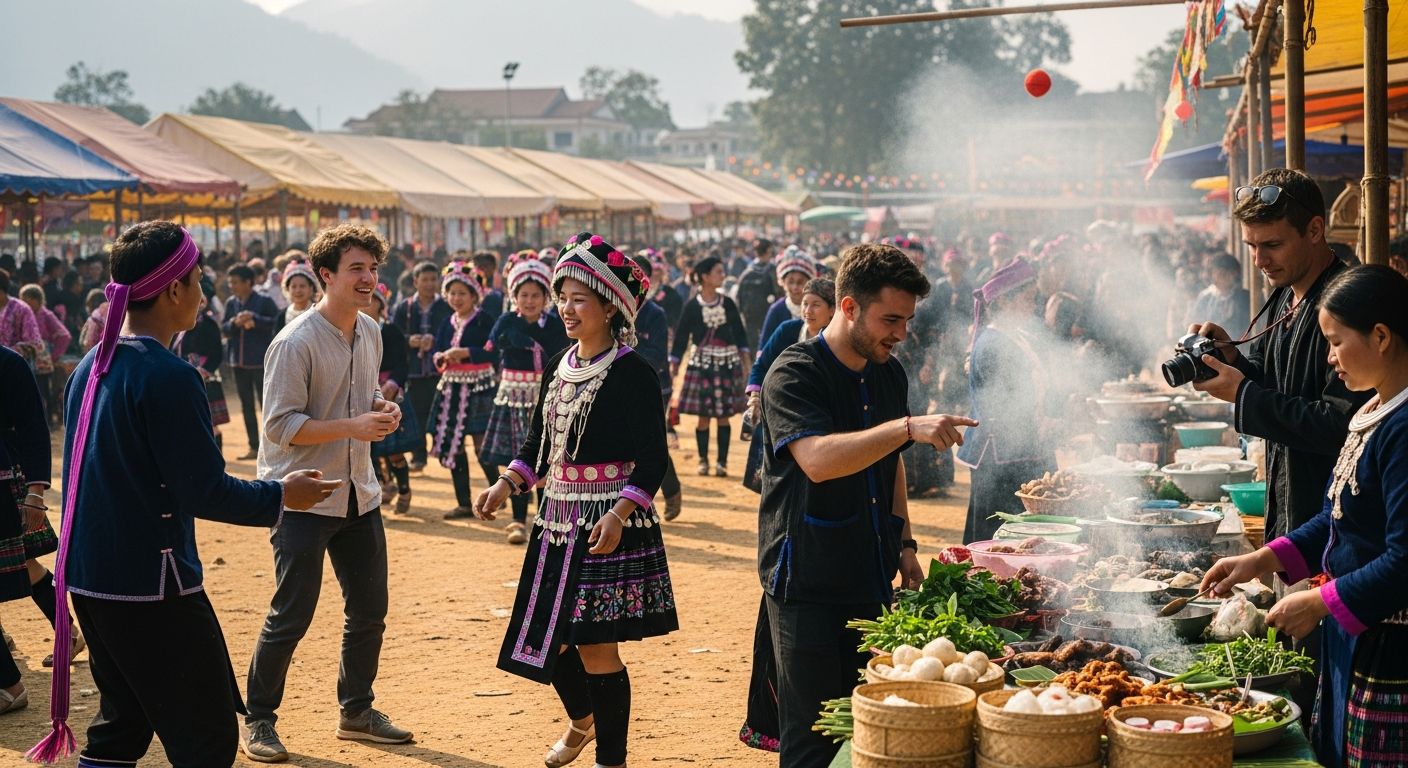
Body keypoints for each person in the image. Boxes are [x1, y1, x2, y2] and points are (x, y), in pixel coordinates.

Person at [27, 221, 338, 767]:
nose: (205, 293)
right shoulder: (168, 376)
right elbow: (205, 491)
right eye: (199, 280)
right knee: (206, 735)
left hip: (91, 576)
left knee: (122, 724)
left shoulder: (90, 367)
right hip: (152, 583)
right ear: (174, 289)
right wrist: (283, 494)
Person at [756, 243, 976, 767]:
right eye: (891, 319)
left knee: (868, 726)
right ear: (849, 307)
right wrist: (906, 427)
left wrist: (904, 544)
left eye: (907, 320)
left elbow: (890, 462)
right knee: (812, 738)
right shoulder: (794, 372)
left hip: (871, 571)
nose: (901, 334)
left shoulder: (888, 373)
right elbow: (817, 460)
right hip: (806, 581)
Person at [474, 231, 676, 768]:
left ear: (610, 306)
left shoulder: (633, 372)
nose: (565, 307)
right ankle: (583, 721)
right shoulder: (558, 366)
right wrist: (506, 484)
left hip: (607, 523)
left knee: (594, 646)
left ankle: (611, 756)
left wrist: (619, 512)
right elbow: (537, 447)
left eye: (577, 298)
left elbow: (654, 458)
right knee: (545, 637)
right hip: (556, 518)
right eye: (561, 296)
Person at [1201, 265, 1408, 768]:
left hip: (1390, 645)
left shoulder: (1403, 429)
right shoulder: (1373, 410)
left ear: (1380, 336)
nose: (1330, 359)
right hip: (1353, 629)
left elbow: (1404, 560)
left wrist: (1320, 602)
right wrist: (1263, 560)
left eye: (1336, 343)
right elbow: (1337, 517)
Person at [242, 224, 410, 763]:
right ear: (326, 275)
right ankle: (259, 721)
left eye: (373, 269)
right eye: (356, 268)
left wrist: (383, 411)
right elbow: (279, 425)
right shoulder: (294, 341)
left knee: (369, 610)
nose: (368, 279)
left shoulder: (371, 330)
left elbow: (366, 400)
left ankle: (355, 712)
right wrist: (352, 425)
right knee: (291, 614)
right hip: (303, 496)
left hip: (361, 493)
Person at [1189, 168, 1368, 547]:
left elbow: (1342, 423)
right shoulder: (1284, 295)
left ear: (1315, 230)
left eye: (1271, 244)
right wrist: (1232, 360)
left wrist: (1244, 396)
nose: (1258, 260)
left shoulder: (1348, 304)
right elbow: (1274, 380)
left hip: (1332, 529)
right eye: (1251, 246)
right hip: (1287, 514)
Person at [958, 258, 1060, 544]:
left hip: (1022, 447)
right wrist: (1047, 424)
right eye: (1027, 300)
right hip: (1000, 455)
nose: (1032, 306)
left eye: (1033, 299)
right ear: (1002, 302)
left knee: (1027, 536)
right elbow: (1003, 406)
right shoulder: (992, 344)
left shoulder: (1018, 337)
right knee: (999, 535)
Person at [0, 344, 70, 714]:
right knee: (25, 565)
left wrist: (36, 492)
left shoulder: (10, 363)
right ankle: (69, 632)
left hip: (11, 482)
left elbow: (33, 427)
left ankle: (9, 685)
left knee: (24, 564)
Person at [479, 257, 568, 542]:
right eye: (523, 295)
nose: (529, 301)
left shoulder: (555, 324)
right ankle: (517, 521)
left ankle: (545, 519)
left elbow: (562, 355)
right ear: (514, 297)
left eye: (536, 295)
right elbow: (490, 349)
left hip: (544, 397)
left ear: (546, 297)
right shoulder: (505, 321)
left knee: (546, 459)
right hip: (512, 399)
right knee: (514, 457)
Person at [742, 277, 836, 494]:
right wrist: (755, 398)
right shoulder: (787, 331)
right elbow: (762, 364)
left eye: (816, 305)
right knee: (776, 482)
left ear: (832, 310)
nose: (808, 310)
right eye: (805, 304)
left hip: (821, 415)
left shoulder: (839, 341)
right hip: (782, 412)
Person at [430, 262, 500, 519]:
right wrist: (441, 357)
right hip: (451, 389)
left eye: (462, 293)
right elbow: (437, 350)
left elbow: (494, 352)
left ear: (474, 296)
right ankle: (463, 503)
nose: (456, 298)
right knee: (454, 446)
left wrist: (467, 353)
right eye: (452, 293)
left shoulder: (484, 319)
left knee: (483, 446)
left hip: (479, 386)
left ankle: (498, 495)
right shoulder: (446, 322)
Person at [671, 256, 751, 477]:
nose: (722, 275)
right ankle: (704, 460)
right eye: (718, 272)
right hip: (702, 364)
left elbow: (739, 332)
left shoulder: (728, 303)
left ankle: (722, 463)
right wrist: (674, 362)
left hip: (726, 362)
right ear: (705, 277)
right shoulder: (692, 306)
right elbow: (681, 336)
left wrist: (744, 355)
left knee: (724, 415)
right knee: (703, 416)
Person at [632, 254, 684, 520]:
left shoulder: (655, 314)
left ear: (648, 280)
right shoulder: (611, 309)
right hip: (616, 384)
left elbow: (657, 355)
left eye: (638, 275)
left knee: (651, 442)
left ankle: (671, 490)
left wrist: (624, 361)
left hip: (655, 386)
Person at [390, 261, 453, 472]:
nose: (429, 284)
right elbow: (394, 337)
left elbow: (453, 335)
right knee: (416, 414)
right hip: (414, 371)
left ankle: (443, 451)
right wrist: (410, 340)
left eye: (433, 279)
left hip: (439, 371)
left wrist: (435, 341)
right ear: (415, 282)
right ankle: (419, 456)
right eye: (424, 280)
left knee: (439, 411)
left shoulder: (446, 306)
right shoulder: (404, 307)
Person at [366, 283, 419, 516]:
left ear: (381, 305)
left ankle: (404, 489)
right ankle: (382, 488)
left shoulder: (390, 331)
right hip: (362, 394)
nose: (366, 303)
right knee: (369, 449)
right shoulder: (350, 330)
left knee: (394, 450)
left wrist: (393, 383)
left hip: (388, 394)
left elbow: (402, 364)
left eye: (372, 299)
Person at [223, 264, 279, 460]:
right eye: (230, 282)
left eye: (235, 282)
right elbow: (225, 328)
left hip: (261, 363)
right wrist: (235, 323)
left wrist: (255, 319)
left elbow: (277, 324)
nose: (232, 286)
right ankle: (254, 447)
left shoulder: (264, 301)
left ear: (248, 283)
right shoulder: (232, 303)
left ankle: (271, 448)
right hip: (237, 363)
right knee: (246, 406)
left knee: (267, 406)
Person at [172, 284, 231, 450]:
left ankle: (217, 459)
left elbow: (216, 354)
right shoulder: (181, 325)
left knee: (211, 423)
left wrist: (202, 371)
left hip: (205, 379)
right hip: (185, 377)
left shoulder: (208, 325)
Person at [19, 283, 71, 421]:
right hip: (28, 360)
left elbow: (64, 336)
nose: (25, 306)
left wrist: (54, 356)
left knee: (43, 391)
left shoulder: (46, 315)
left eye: (29, 302)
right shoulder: (24, 315)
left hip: (42, 362)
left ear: (38, 301)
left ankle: (48, 418)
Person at [757, 246, 819, 351]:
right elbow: (764, 347)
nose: (795, 287)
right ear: (783, 282)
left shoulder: (818, 308)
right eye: (790, 282)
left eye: (800, 282)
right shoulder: (776, 310)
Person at [1189, 254, 1251, 340]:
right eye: (1222, 273)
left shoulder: (1245, 296)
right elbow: (1195, 322)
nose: (1228, 276)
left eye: (1233, 273)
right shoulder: (1205, 297)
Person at [736, 238, 779, 346]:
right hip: (769, 316)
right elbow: (779, 294)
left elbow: (739, 297)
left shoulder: (746, 272)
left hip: (750, 318)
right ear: (769, 251)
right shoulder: (773, 271)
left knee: (753, 346)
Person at [271, 259, 318, 336]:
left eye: (302, 286)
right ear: (288, 289)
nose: (298, 290)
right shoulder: (282, 316)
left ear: (311, 288)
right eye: (293, 286)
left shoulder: (319, 314)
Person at [473, 250, 505, 318]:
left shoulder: (498, 296)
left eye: (486, 266)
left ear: (494, 268)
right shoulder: (470, 293)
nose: (482, 270)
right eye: (479, 266)